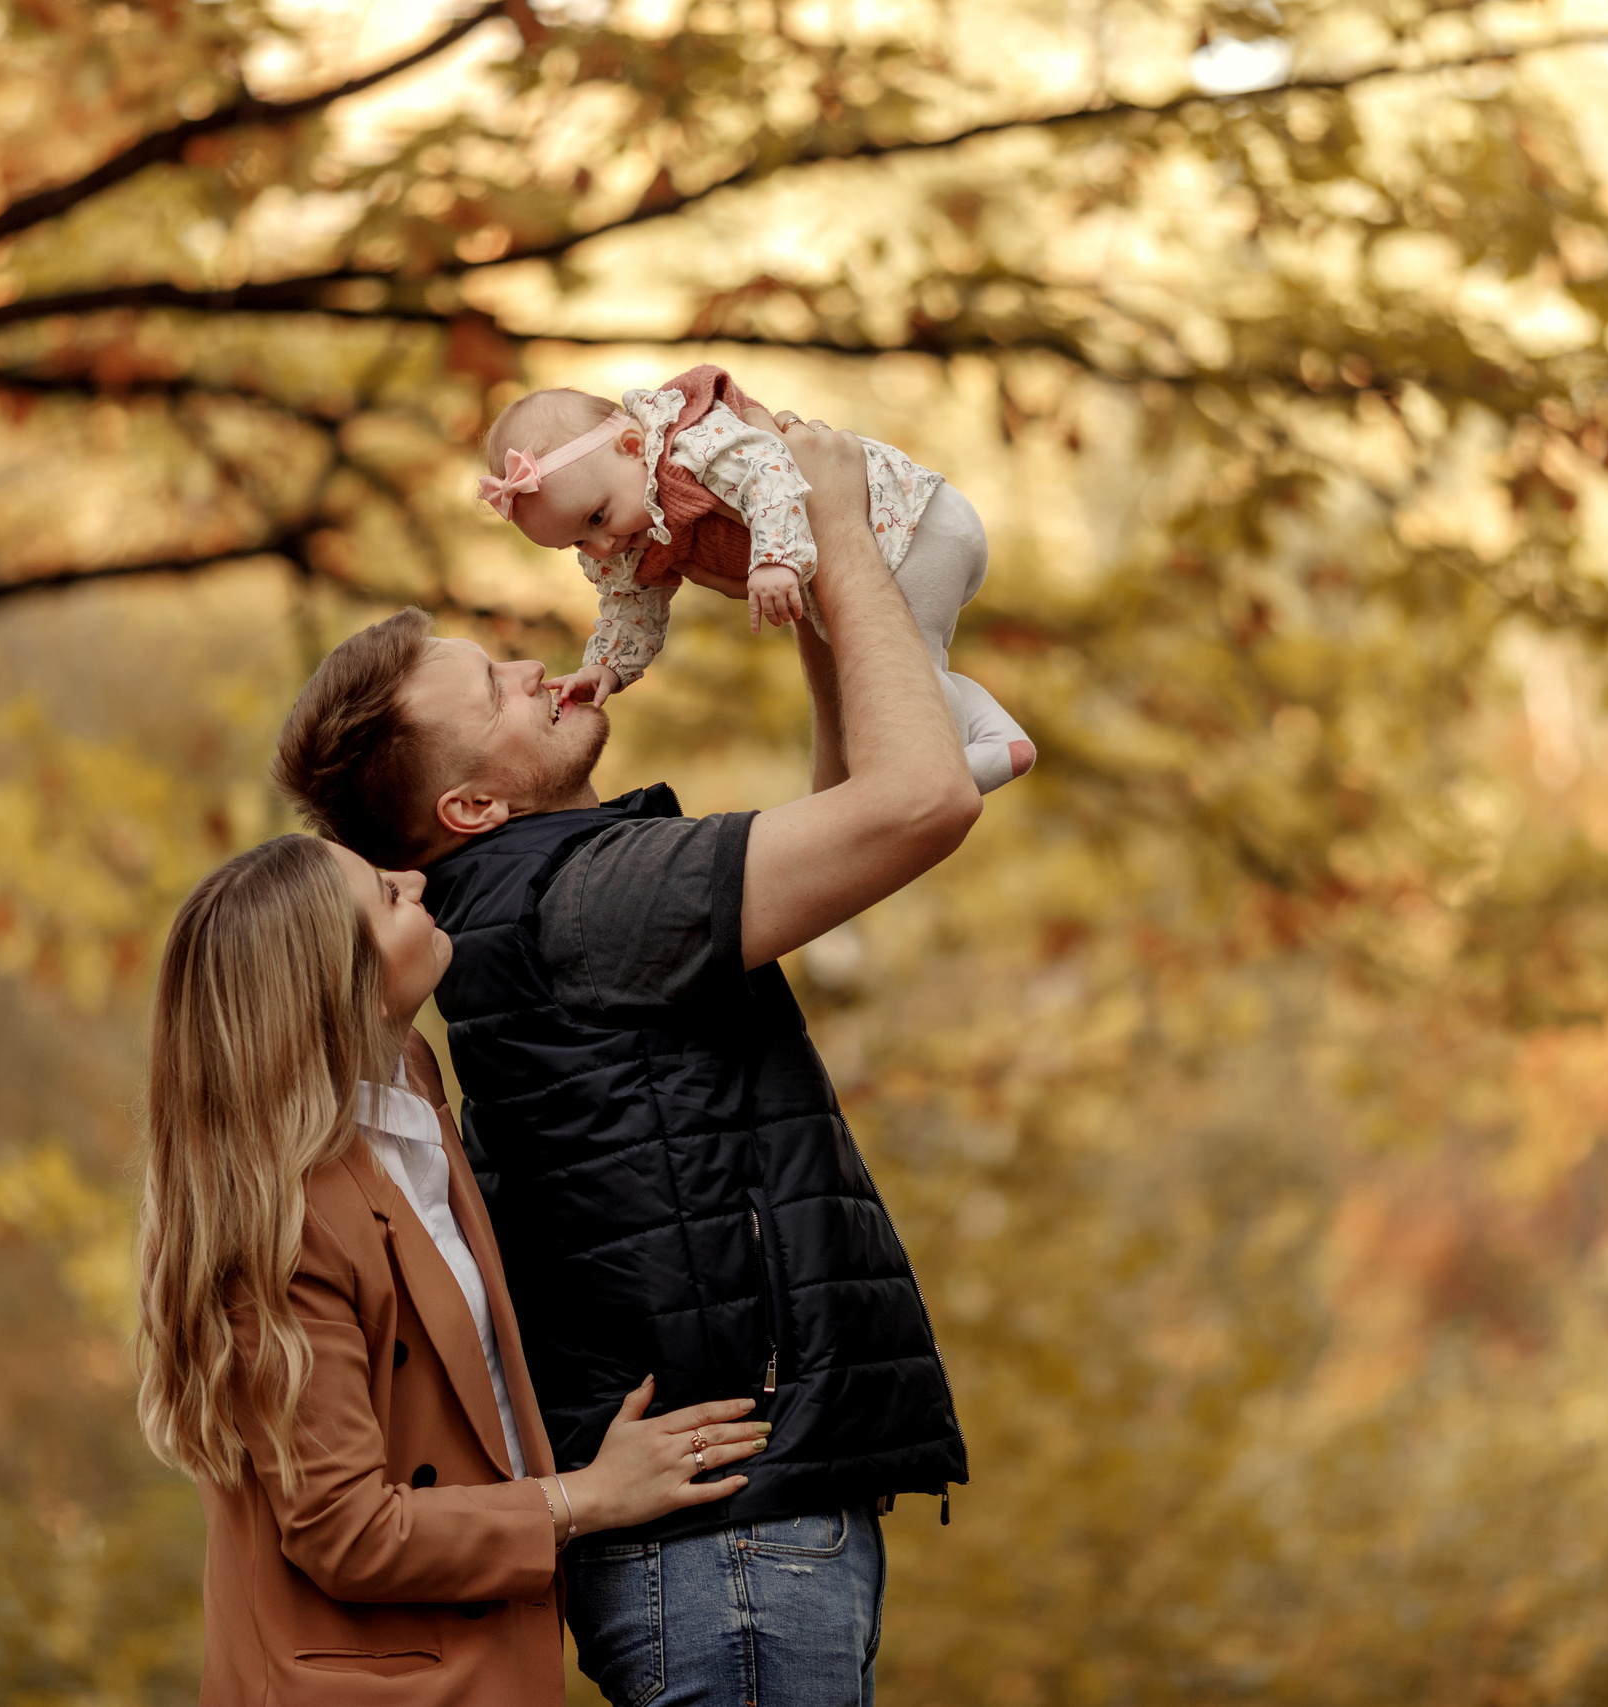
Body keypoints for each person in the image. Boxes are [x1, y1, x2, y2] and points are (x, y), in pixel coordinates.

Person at [270, 414, 981, 1705]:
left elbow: (856, 800)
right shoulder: (579, 900)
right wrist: (827, 516)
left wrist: (822, 581)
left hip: (725, 1543)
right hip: (729, 1549)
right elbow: (922, 799)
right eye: (493, 686)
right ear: (470, 807)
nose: (541, 668)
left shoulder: (533, 900)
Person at [133, 832, 772, 1705]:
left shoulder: (409, 1086)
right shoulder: (285, 1226)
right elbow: (348, 1531)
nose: (414, 877)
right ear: (335, 984)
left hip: (479, 1662)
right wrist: (585, 1497)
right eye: (386, 897)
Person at [477, 364, 1035, 793]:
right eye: (577, 540)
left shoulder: (689, 446)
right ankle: (996, 740)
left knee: (901, 669)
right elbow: (629, 604)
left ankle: (935, 772)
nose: (601, 545)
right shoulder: (629, 536)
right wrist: (606, 667)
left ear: (632, 448)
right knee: (907, 661)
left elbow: (770, 471)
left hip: (910, 527)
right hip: (886, 552)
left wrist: (774, 558)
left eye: (597, 517)